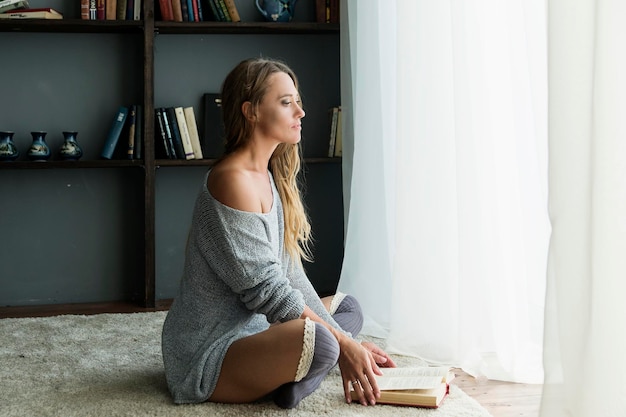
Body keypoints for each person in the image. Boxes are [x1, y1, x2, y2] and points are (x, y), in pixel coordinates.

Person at [161, 57, 396, 409]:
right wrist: (345, 344)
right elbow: (268, 292)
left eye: (297, 102)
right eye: (287, 102)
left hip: (259, 330)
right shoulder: (232, 181)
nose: (300, 112)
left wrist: (348, 338)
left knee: (349, 308)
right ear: (251, 111)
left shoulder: (267, 177)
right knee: (324, 341)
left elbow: (289, 276)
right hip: (210, 352)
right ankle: (295, 379)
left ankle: (294, 377)